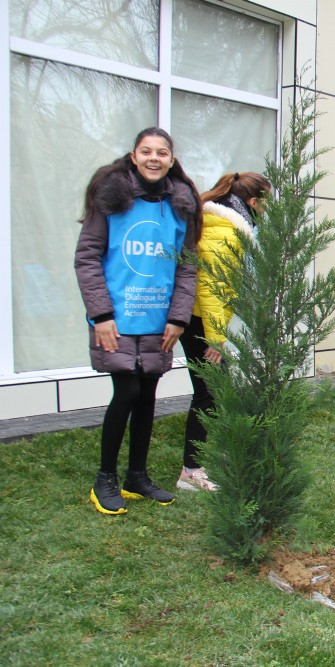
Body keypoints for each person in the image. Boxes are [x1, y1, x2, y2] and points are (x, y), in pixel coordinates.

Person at [75, 128, 201, 515]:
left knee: (147, 395)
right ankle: (104, 479)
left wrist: (179, 318)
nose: (154, 158)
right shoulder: (110, 199)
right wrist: (100, 315)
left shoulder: (180, 206)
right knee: (127, 392)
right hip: (115, 318)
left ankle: (136, 476)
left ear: (171, 159)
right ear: (133, 156)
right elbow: (88, 257)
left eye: (162, 152)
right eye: (146, 151)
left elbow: (187, 266)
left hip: (158, 321)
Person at [177, 172, 271, 492]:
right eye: (266, 204)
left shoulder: (220, 223)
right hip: (201, 322)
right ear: (253, 202)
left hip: (198, 319)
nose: (266, 211)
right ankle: (191, 471)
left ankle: (204, 458)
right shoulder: (227, 232)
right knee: (209, 392)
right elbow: (212, 286)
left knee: (215, 390)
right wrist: (216, 336)